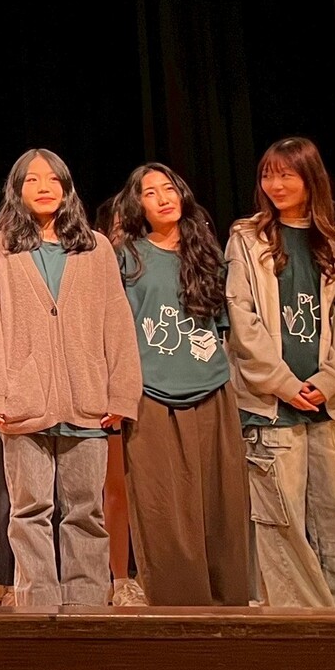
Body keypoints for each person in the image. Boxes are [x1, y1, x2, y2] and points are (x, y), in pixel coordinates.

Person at [0, 148, 141, 607]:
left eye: (53, 179)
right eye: (32, 180)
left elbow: (117, 321)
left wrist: (121, 394)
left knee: (86, 510)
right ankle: (38, 602)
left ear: (67, 188)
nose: (44, 187)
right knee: (29, 511)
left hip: (87, 398)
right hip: (23, 402)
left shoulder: (96, 248)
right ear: (17, 190)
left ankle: (86, 603)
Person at [226, 137, 335, 607]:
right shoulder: (247, 239)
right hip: (273, 406)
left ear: (311, 179)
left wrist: (327, 383)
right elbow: (241, 319)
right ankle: (297, 624)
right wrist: (285, 385)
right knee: (280, 519)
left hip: (334, 404)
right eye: (268, 175)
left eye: (286, 174)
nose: (276, 185)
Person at [108, 163, 251, 606]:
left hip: (211, 388)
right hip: (150, 393)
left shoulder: (206, 251)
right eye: (150, 192)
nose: (163, 198)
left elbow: (223, 326)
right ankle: (176, 607)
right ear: (138, 204)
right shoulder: (126, 256)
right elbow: (114, 327)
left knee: (221, 501)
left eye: (168, 188)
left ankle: (228, 603)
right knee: (162, 506)